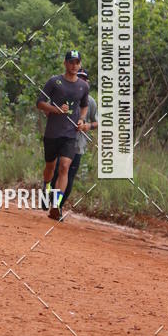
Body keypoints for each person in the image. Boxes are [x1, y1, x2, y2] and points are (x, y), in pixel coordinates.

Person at [36, 50, 89, 222]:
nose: (74, 65)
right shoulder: (54, 81)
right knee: (50, 168)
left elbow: (84, 105)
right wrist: (56, 110)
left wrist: (81, 119)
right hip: (53, 133)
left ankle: (56, 206)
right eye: (71, 62)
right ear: (65, 63)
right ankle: (46, 186)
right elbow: (40, 103)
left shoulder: (83, 86)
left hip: (70, 134)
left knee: (65, 167)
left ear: (80, 64)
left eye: (77, 62)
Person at [50, 68, 98, 209]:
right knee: (57, 172)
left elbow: (98, 122)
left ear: (87, 83)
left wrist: (87, 126)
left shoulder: (91, 102)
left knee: (68, 175)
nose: (81, 81)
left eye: (84, 79)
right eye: (78, 78)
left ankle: (58, 206)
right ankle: (50, 199)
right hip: (61, 140)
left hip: (78, 145)